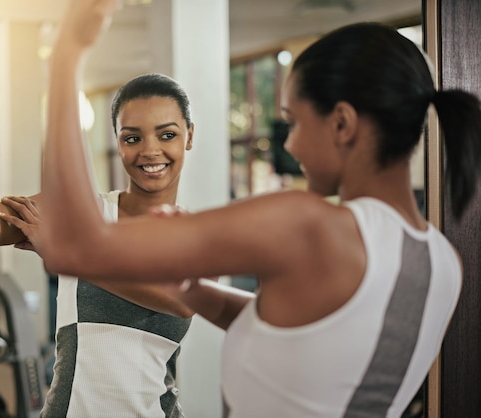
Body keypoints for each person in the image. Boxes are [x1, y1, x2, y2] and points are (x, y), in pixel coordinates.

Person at [28, 1, 481, 417]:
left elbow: (76, 248)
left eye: (295, 122)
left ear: (341, 123)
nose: (291, 143)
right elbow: (311, 344)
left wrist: (68, 55)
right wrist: (194, 292)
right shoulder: (443, 261)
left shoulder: (305, 223)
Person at [0, 50, 204, 417]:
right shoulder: (81, 214)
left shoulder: (202, 236)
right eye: (132, 138)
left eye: (167, 134)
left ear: (188, 136)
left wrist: (72, 255)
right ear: (117, 142)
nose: (150, 151)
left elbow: (182, 299)